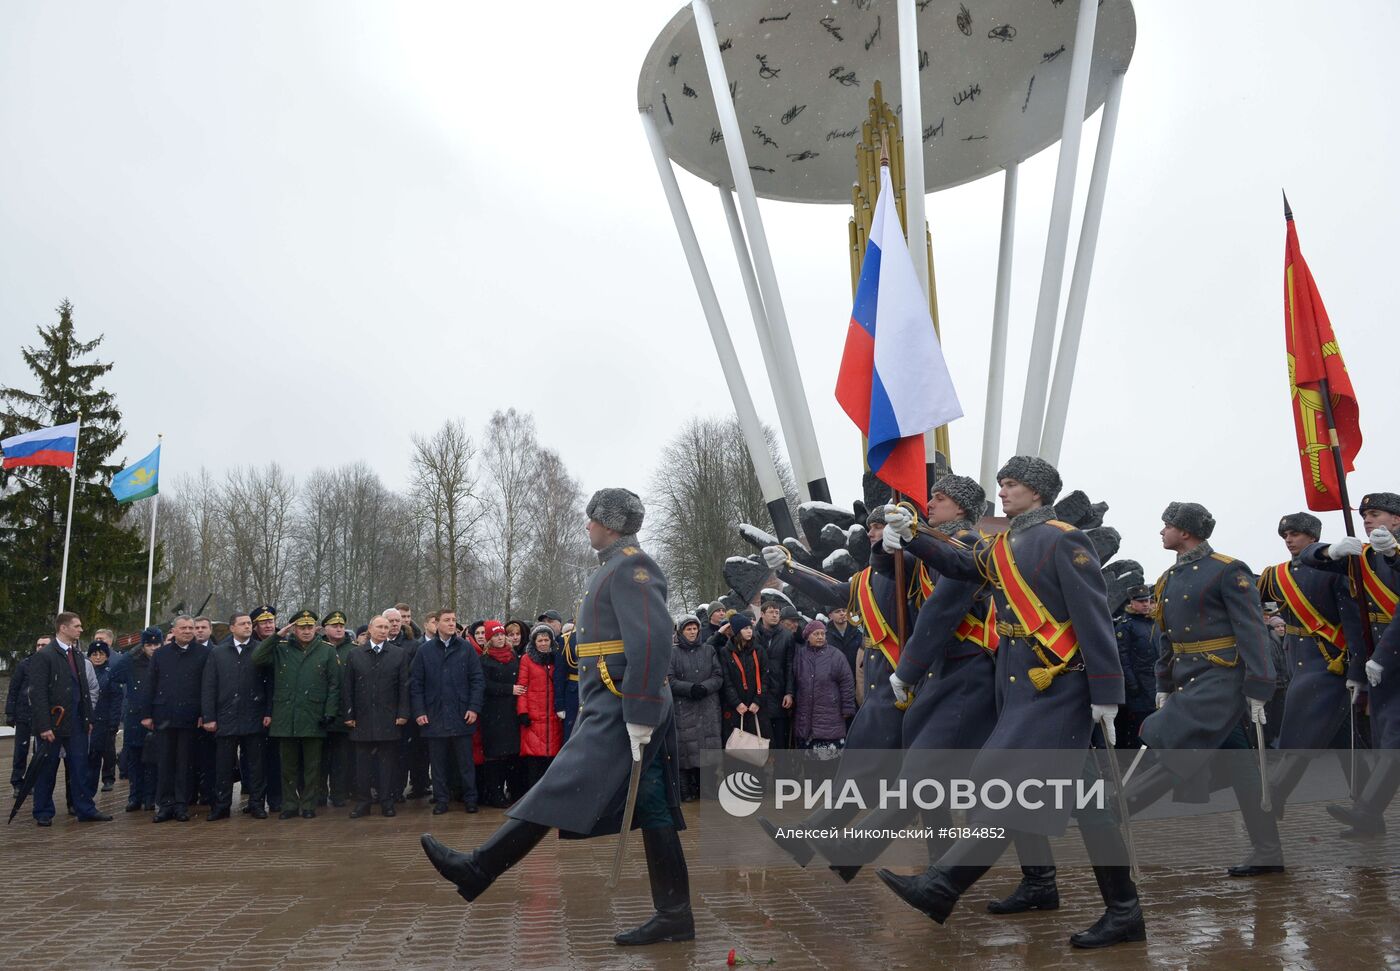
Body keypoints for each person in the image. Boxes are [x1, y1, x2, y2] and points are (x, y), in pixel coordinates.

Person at [873, 456, 1137, 950]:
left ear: (1037, 492)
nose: (1004, 491)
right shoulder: (1002, 545)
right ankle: (1112, 907)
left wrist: (1107, 693)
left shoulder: (1064, 539)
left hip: (1059, 687)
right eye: (1003, 483)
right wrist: (913, 534)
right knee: (1082, 804)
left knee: (1013, 790)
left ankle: (943, 886)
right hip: (1022, 689)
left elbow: (1093, 618)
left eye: (1012, 484)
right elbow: (959, 562)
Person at [423, 487, 693, 946]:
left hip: (621, 702)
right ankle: (675, 914)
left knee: (559, 786)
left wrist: (641, 710)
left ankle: (479, 868)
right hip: (614, 700)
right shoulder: (613, 567)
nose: (587, 525)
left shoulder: (632, 566)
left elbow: (651, 640)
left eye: (592, 519)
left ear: (610, 523)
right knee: (652, 806)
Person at [1126, 502, 1280, 877]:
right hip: (1188, 678)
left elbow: (1252, 630)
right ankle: (1268, 850)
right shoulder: (1168, 578)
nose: (1161, 532)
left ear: (1186, 531)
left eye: (1167, 525)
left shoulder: (1227, 571)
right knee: (1243, 767)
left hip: (1222, 678)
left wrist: (1260, 683)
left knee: (1175, 744)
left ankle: (1111, 812)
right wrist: (1164, 682)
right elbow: (1166, 636)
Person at [1259, 512, 1367, 818]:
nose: (1289, 540)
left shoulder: (1334, 571)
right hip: (1297, 661)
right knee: (1348, 741)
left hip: (1329, 664)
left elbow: (1353, 623)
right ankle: (1368, 810)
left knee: (1299, 733)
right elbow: (1255, 601)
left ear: (1312, 537)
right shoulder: (1276, 575)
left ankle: (1274, 798)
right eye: (1285, 536)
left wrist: (1357, 670)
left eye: (1295, 534)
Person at [1305, 492, 1400, 836]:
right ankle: (1371, 822)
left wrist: (1381, 657)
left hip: (1390, 659)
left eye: (1376, 513)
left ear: (1397, 519)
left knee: (1394, 743)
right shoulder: (1364, 556)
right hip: (1382, 666)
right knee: (1382, 743)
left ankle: (1367, 811)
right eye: (1364, 515)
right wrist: (1328, 551)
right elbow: (1307, 558)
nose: (1368, 520)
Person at [253, 610, 342, 819]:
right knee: (288, 767)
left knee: (312, 767)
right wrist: (277, 635)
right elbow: (257, 658)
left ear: (316, 628)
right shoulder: (281, 648)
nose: (306, 631)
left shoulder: (326, 650)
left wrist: (330, 712)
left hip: (314, 715)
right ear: (293, 628)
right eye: (302, 627)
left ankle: (308, 805)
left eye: (310, 627)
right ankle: (290, 805)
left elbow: (334, 685)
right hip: (287, 715)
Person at [27, 613, 111, 825]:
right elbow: (37, 693)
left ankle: (85, 808)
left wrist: (88, 719)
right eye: (77, 626)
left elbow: (84, 690)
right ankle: (43, 812)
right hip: (54, 724)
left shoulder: (77, 656)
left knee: (80, 768)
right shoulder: (45, 655)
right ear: (63, 628)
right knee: (48, 769)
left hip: (77, 723)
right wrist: (44, 726)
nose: (81, 630)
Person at [411, 609, 485, 814]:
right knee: (438, 763)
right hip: (434, 715)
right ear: (437, 624)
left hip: (462, 713)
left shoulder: (466, 649)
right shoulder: (424, 651)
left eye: (454, 620)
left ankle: (470, 798)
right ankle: (441, 799)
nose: (452, 624)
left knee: (465, 762)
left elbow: (477, 680)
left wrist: (473, 707)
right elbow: (416, 684)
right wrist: (419, 711)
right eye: (447, 620)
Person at [139, 615, 210, 823]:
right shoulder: (161, 654)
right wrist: (146, 714)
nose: (188, 631)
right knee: (164, 762)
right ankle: (164, 805)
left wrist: (204, 714)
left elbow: (207, 686)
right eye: (184, 628)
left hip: (190, 718)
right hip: (164, 716)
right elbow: (150, 685)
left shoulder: (204, 654)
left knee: (185, 763)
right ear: (174, 630)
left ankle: (181, 805)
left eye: (191, 627)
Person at [200, 612, 270, 820]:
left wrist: (268, 712)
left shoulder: (260, 651)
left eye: (249, 623)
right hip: (225, 717)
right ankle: (221, 806)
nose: (248, 627)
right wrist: (209, 716)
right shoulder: (219, 653)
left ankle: (257, 804)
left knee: (256, 766)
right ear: (232, 628)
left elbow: (269, 685)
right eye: (242, 624)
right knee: (223, 766)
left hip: (254, 716)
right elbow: (209, 686)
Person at [344, 615, 411, 818]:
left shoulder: (398, 654)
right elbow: (348, 687)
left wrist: (403, 712)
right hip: (362, 718)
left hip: (388, 717)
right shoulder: (355, 655)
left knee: (387, 763)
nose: (384, 630)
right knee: (362, 764)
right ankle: (363, 802)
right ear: (370, 630)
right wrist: (349, 713)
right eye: (380, 627)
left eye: (386, 627)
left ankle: (386, 801)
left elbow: (404, 687)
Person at [669, 616, 723, 802]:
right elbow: (670, 679)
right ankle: (687, 789)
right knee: (686, 750)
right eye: (688, 629)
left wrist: (705, 687)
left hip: (707, 706)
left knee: (707, 748)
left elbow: (718, 675)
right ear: (681, 632)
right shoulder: (673, 653)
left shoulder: (708, 650)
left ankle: (708, 787)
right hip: (684, 707)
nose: (692, 632)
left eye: (695, 629)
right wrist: (690, 688)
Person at [108, 628, 161, 811]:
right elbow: (114, 675)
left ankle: (150, 797)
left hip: (155, 716)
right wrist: (130, 654)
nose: (153, 648)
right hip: (134, 716)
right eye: (148, 645)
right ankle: (135, 797)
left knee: (152, 760)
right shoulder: (132, 661)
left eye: (156, 644)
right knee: (134, 758)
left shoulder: (162, 661)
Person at [792, 620, 855, 761]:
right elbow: (793, 680)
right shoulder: (800, 655)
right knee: (809, 763)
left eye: (822, 634)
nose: (820, 637)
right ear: (808, 636)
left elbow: (847, 683)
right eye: (816, 634)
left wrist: (847, 708)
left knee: (830, 764)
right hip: (805, 715)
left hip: (830, 714)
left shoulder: (836, 656)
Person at [477, 620, 523, 807]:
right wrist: (508, 689)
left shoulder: (513, 657)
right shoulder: (484, 660)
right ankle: (495, 793)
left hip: (511, 713)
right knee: (495, 756)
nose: (500, 638)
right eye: (495, 635)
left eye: (501, 634)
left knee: (511, 754)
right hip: (493, 714)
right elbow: (484, 685)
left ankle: (511, 790)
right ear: (489, 638)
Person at [516, 625, 563, 797]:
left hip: (553, 716)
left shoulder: (557, 659)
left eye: (546, 640)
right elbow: (522, 686)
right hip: (534, 717)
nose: (543, 643)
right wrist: (523, 711)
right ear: (534, 642)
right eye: (540, 640)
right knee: (535, 761)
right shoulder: (527, 659)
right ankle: (534, 796)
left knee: (552, 759)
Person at [1114, 585, 1160, 749]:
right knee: (1140, 729)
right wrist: (1132, 685)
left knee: (1159, 726)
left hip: (1157, 682)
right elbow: (1123, 658)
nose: (1145, 604)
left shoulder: (1155, 623)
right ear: (1132, 603)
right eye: (1141, 602)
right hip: (1139, 686)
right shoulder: (1125, 626)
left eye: (1147, 600)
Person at [248, 606, 283, 816]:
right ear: (255, 626)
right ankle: (255, 799)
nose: (269, 625)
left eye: (271, 621)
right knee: (253, 760)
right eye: (264, 622)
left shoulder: (282, 642)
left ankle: (276, 798)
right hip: (254, 708)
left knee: (275, 757)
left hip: (277, 706)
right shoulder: (251, 645)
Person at [319, 610, 356, 808]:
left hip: (344, 713)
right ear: (325, 628)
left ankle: (339, 793)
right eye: (335, 626)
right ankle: (319, 793)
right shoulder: (317, 648)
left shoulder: (354, 649)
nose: (339, 628)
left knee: (341, 759)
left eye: (342, 625)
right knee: (320, 759)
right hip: (320, 714)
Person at [752, 598, 796, 748]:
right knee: (759, 740)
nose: (775, 615)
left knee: (779, 741)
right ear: (762, 614)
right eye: (771, 612)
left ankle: (780, 770)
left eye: (777, 612)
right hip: (757, 693)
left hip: (779, 692)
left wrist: (789, 692)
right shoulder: (752, 634)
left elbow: (790, 666)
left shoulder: (787, 636)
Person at [7, 636, 46, 795]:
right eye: (38, 644)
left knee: (40, 751)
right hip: (24, 713)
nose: (40, 647)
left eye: (44, 645)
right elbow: (14, 689)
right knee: (21, 750)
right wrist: (10, 713)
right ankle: (17, 782)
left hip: (43, 716)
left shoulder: (53, 665)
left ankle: (35, 781)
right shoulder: (25, 665)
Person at [85, 641, 120, 794]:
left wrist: (114, 721)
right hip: (90, 718)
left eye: (101, 654)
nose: (98, 657)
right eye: (94, 654)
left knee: (107, 751)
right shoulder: (85, 672)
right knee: (91, 752)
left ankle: (108, 777)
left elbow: (116, 699)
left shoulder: (110, 674)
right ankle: (90, 780)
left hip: (105, 719)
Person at [554, 621, 581, 744]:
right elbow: (559, 674)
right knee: (571, 736)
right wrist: (560, 704)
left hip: (598, 691)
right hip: (573, 694)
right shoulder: (566, 640)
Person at [824, 606, 863, 682]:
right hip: (837, 680)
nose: (842, 613)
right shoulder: (826, 637)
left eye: (844, 610)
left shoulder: (858, 632)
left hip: (858, 677)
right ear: (830, 616)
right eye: (837, 611)